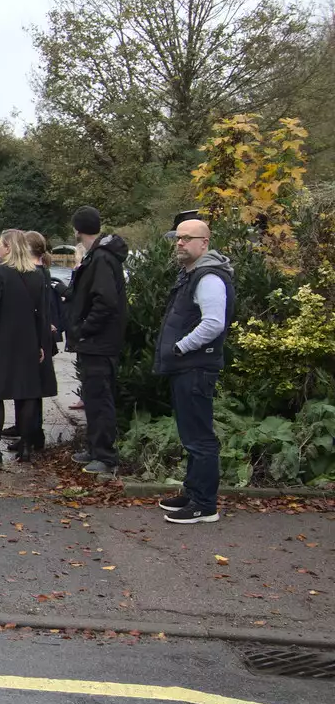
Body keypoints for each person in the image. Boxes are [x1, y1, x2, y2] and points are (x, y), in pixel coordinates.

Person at [155, 219, 234, 524]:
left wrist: (181, 347)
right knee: (191, 435)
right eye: (178, 238)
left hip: (196, 367)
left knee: (200, 437)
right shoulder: (192, 275)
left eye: (187, 238)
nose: (180, 243)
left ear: (204, 242)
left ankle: (204, 505)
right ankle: (193, 492)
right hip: (187, 367)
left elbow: (214, 323)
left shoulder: (209, 278)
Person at [0, 229, 49, 464]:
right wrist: (40, 341)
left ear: (8, 247)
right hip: (27, 339)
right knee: (25, 393)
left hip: (0, 338)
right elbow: (42, 312)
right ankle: (25, 448)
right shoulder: (38, 274)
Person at [65, 206, 130, 475]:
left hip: (99, 342)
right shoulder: (99, 257)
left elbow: (105, 301)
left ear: (77, 230)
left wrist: (83, 328)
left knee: (100, 398)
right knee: (92, 396)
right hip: (96, 341)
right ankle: (95, 449)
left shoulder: (101, 258)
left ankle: (105, 455)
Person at [7, 230, 63, 454]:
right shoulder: (42, 271)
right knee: (31, 387)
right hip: (40, 334)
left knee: (29, 388)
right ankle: (28, 430)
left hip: (34, 336)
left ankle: (30, 433)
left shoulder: (35, 273)